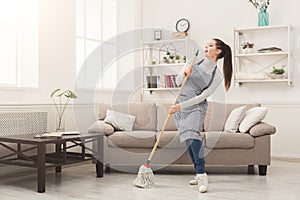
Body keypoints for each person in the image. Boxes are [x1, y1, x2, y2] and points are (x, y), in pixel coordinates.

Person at [169, 38, 232, 193]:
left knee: (193, 136)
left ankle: (201, 173)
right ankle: (198, 173)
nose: (206, 46)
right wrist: (184, 73)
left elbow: (203, 96)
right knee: (188, 139)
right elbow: (178, 82)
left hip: (195, 107)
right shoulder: (193, 61)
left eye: (210, 45)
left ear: (218, 51)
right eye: (206, 44)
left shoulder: (216, 75)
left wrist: (180, 106)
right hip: (180, 106)